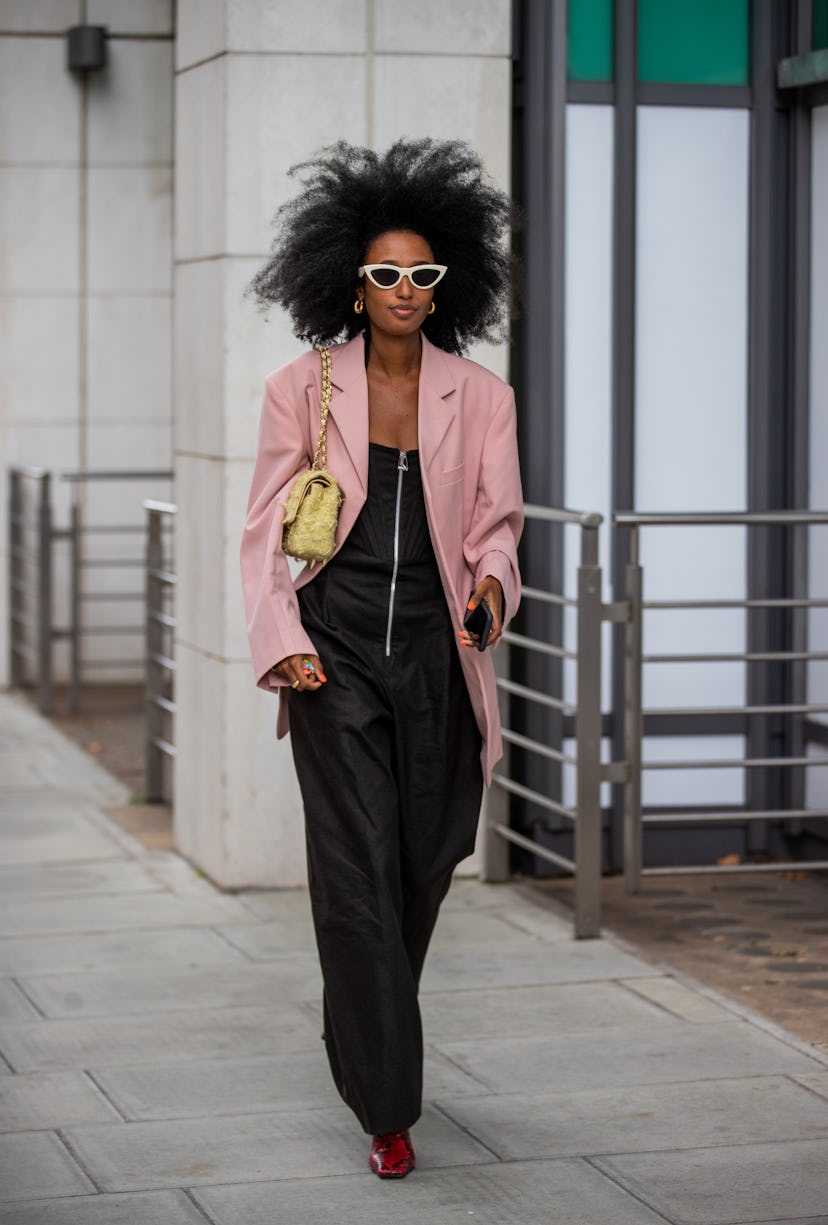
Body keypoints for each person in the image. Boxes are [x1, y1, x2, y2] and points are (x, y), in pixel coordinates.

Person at [240, 138, 523, 1179]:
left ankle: (360, 1024)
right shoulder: (300, 387)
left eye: (423, 275)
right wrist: (285, 641)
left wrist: (494, 585)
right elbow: (267, 528)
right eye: (384, 275)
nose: (405, 290)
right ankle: (389, 1101)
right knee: (357, 868)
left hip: (441, 661)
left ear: (447, 283)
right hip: (337, 650)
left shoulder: (479, 396)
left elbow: (497, 526)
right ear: (352, 287)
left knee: (427, 853)